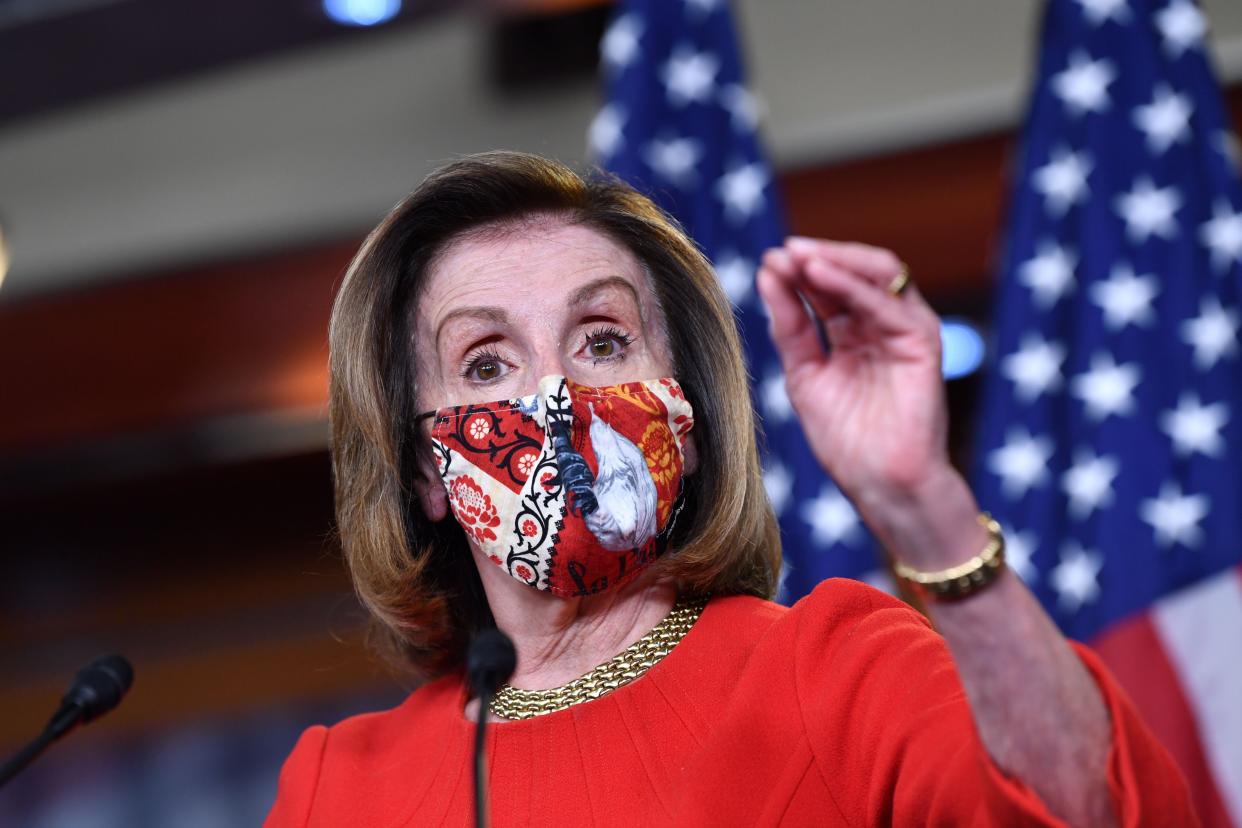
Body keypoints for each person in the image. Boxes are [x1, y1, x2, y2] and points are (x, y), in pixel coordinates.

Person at [265, 151, 1195, 827]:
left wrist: (921, 501)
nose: (558, 396)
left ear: (686, 413)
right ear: (427, 468)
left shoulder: (832, 670)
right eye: (485, 361)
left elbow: (1096, 813)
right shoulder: (338, 788)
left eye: (602, 341)